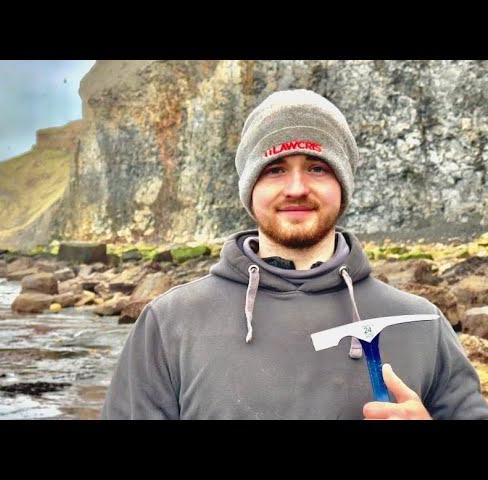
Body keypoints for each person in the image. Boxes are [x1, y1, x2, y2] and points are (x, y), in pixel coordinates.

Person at [101, 89, 488, 420]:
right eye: (275, 170)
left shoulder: (423, 324)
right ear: (250, 187)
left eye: (318, 167)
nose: (297, 188)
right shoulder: (169, 324)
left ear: (344, 184)